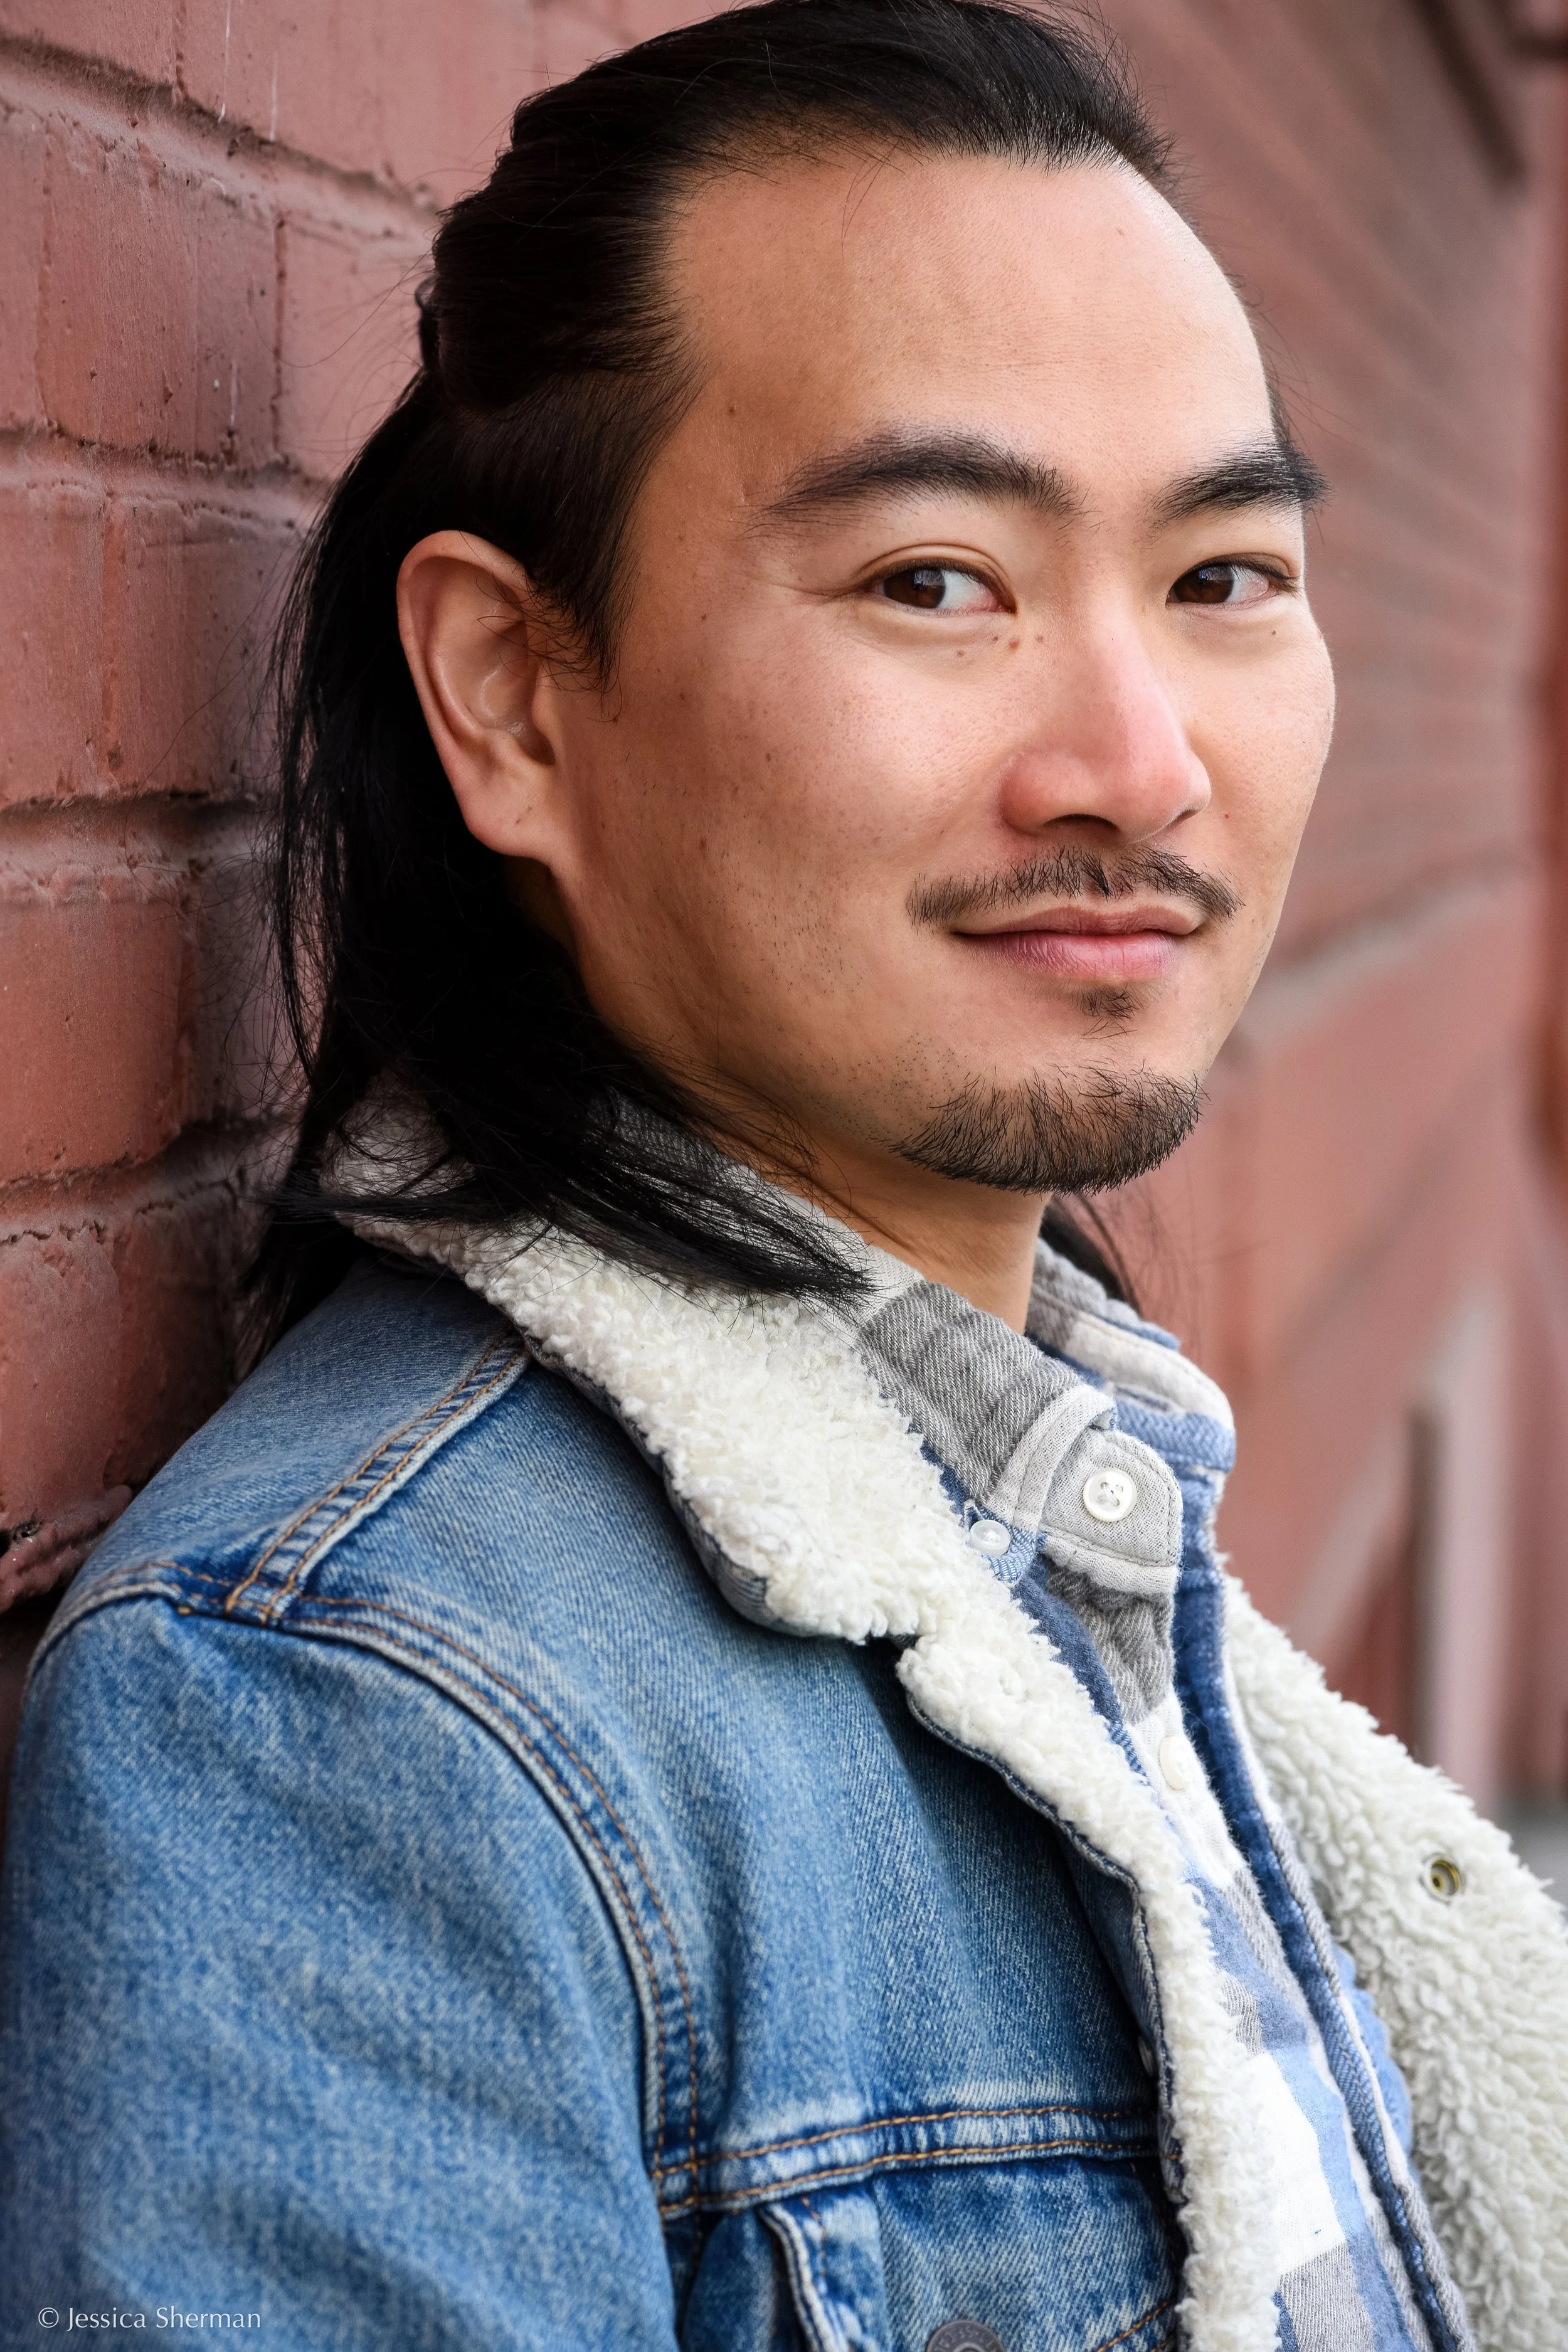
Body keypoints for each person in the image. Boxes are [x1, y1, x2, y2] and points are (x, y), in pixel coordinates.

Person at [2, 2, 1564, 2345]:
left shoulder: (1058, 1494)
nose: (1135, 763)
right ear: (515, 697)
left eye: (1223, 573)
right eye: (938, 578)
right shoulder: (367, 1724)